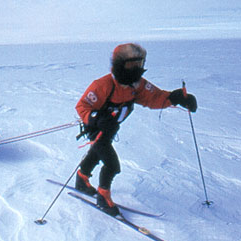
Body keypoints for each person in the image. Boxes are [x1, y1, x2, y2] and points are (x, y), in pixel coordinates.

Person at [75, 43, 197, 216]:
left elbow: (154, 98)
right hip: (97, 129)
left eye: (139, 64)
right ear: (120, 64)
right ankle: (103, 196)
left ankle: (81, 179)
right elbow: (83, 106)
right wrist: (96, 118)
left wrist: (175, 98)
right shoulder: (102, 85)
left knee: (96, 153)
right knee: (112, 165)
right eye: (131, 64)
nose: (135, 69)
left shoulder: (137, 85)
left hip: (110, 129)